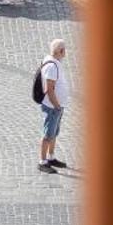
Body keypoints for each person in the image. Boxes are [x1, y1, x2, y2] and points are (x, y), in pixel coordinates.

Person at [36, 38, 69, 172]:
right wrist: (56, 105)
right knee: (48, 134)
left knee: (54, 133)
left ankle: (51, 157)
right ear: (60, 51)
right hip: (52, 107)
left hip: (57, 106)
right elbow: (49, 89)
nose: (65, 52)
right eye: (64, 50)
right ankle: (43, 161)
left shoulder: (55, 62)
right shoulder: (52, 66)